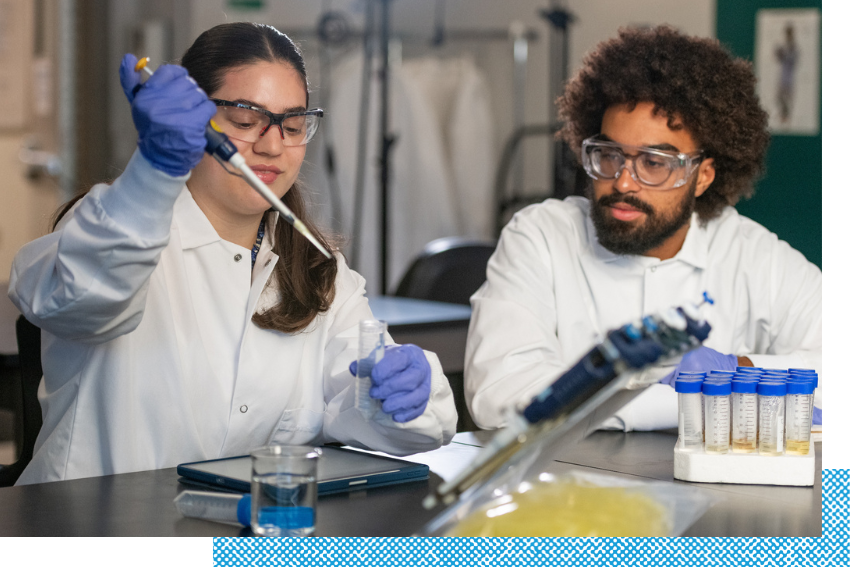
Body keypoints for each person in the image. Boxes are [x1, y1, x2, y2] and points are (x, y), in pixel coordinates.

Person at [8, 22, 456, 485]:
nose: (271, 144)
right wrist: (153, 172)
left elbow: (372, 408)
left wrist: (400, 398)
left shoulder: (319, 271)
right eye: (245, 121)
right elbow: (83, 299)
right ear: (191, 122)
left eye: (294, 124)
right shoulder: (118, 228)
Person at [464, 26, 821, 431]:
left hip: (715, 491)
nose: (623, 182)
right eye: (609, 155)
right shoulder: (542, 238)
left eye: (654, 162)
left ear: (702, 176)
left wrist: (740, 369)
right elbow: (500, 397)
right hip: (572, 490)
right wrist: (689, 396)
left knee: (836, 485)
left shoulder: (750, 255)